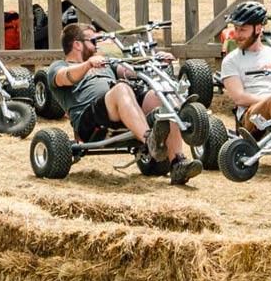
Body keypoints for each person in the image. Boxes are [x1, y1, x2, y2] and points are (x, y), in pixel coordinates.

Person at [45, 22, 201, 185]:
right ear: (77, 44)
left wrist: (154, 60)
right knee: (121, 89)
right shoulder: (59, 67)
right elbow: (65, 77)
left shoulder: (105, 64)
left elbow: (130, 70)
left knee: (161, 94)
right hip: (90, 119)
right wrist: (88, 64)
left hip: (123, 106)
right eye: (94, 41)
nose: (98, 45)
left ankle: (178, 164)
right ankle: (150, 141)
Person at [218, 1, 271, 136]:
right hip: (252, 115)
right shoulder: (231, 60)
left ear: (258, 29)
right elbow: (239, 98)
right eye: (236, 29)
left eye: (243, 29)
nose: (237, 34)